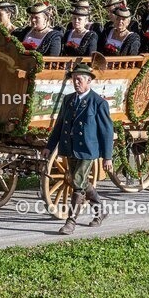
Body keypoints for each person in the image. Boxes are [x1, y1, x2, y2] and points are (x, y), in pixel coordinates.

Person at [42, 64, 114, 235]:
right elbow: (59, 126)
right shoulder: (68, 100)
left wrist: (107, 157)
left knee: (78, 184)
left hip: (88, 150)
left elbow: (106, 131)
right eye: (74, 79)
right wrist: (49, 146)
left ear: (89, 81)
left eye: (79, 79)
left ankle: (71, 222)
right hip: (70, 147)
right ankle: (101, 210)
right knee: (77, 180)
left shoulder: (98, 103)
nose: (76, 82)